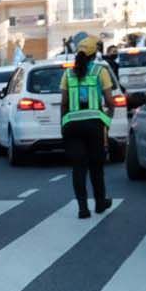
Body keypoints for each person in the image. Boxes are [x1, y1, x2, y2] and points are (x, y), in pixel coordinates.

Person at [59, 36, 114, 219]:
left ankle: (83, 208)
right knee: (96, 165)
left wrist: (63, 124)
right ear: (94, 54)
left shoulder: (67, 74)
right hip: (94, 124)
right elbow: (109, 101)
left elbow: (64, 103)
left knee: (78, 167)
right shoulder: (101, 71)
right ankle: (100, 203)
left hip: (72, 125)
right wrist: (107, 119)